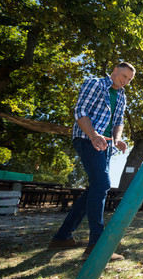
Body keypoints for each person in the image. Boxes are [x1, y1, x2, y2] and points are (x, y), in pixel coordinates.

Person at [48, 62, 136, 261]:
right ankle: (96, 244)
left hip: (105, 146)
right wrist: (93, 134)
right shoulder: (95, 84)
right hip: (86, 139)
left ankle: (62, 237)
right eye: (123, 76)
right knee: (102, 184)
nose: (125, 82)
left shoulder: (122, 95)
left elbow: (118, 121)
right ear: (114, 71)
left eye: (129, 79)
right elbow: (81, 111)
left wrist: (117, 139)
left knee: (94, 188)